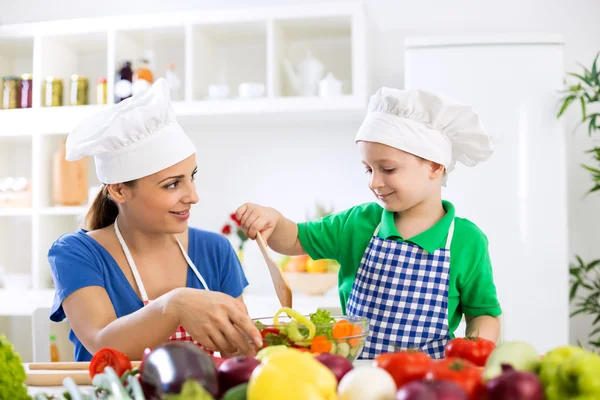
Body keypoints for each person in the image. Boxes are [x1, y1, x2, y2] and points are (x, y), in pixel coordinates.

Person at [236, 88, 502, 359]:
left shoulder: (467, 240)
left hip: (426, 382)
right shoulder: (358, 223)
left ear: (435, 166)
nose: (374, 182)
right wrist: (273, 220)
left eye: (387, 169)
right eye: (368, 169)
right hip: (356, 377)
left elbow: (483, 314)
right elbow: (293, 239)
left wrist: (473, 351)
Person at [48, 78, 262, 362]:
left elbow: (237, 355)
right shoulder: (77, 253)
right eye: (172, 184)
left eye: (191, 177)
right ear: (119, 190)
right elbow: (103, 345)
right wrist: (174, 305)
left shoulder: (215, 251)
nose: (193, 196)